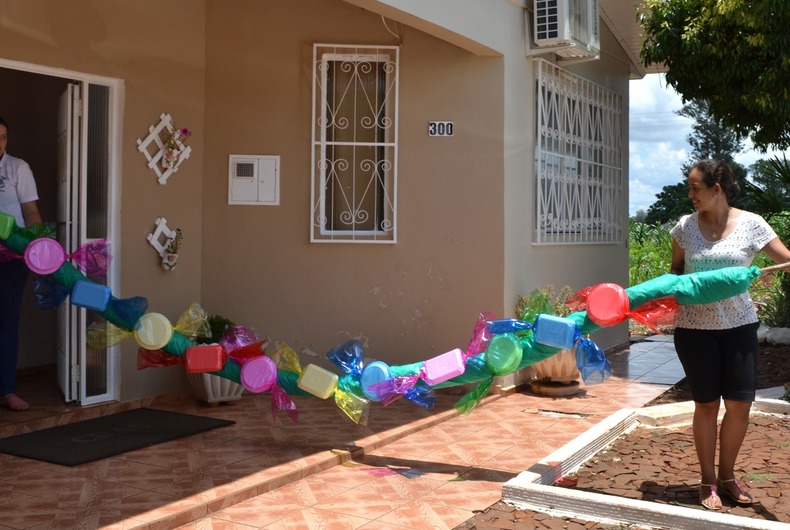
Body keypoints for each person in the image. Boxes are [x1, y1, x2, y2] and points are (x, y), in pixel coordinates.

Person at [669, 159, 790, 511]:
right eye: (689, 187)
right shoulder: (684, 228)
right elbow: (676, 274)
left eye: (695, 188)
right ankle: (707, 481)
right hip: (694, 329)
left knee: (739, 405)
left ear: (716, 189)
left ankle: (727, 476)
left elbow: (784, 258)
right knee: (706, 404)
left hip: (739, 326)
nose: (690, 194)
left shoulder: (752, 224)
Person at [0, 116, 42, 411]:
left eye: (2, 136)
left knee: (6, 323)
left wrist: (35, 248)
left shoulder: (18, 168)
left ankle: (7, 390)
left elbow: (31, 212)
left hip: (11, 259)